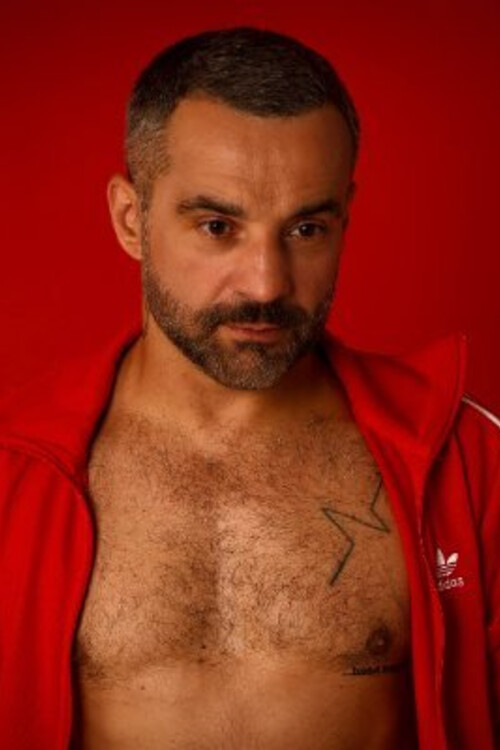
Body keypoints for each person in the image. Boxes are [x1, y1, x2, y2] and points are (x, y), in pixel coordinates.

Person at [0, 24, 498, 750]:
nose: (266, 284)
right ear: (131, 219)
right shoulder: (13, 474)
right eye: (217, 226)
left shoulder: (468, 460)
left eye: (305, 230)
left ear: (345, 217)